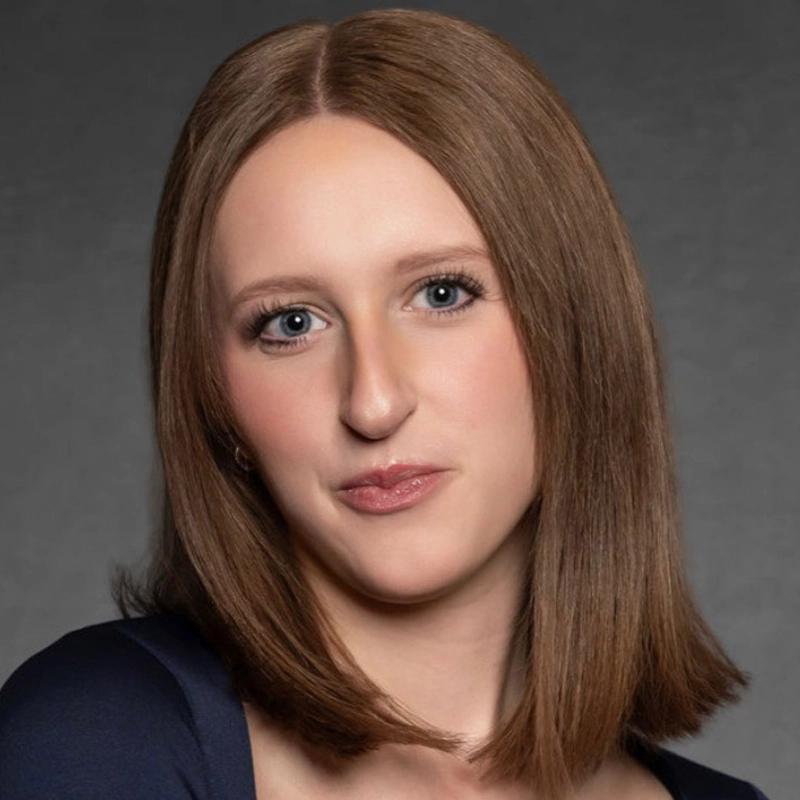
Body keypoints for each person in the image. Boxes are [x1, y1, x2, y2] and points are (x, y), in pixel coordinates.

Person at [0, 8, 770, 799]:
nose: (372, 402)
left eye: (441, 293)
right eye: (290, 324)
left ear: (576, 335)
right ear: (215, 400)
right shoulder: (96, 740)